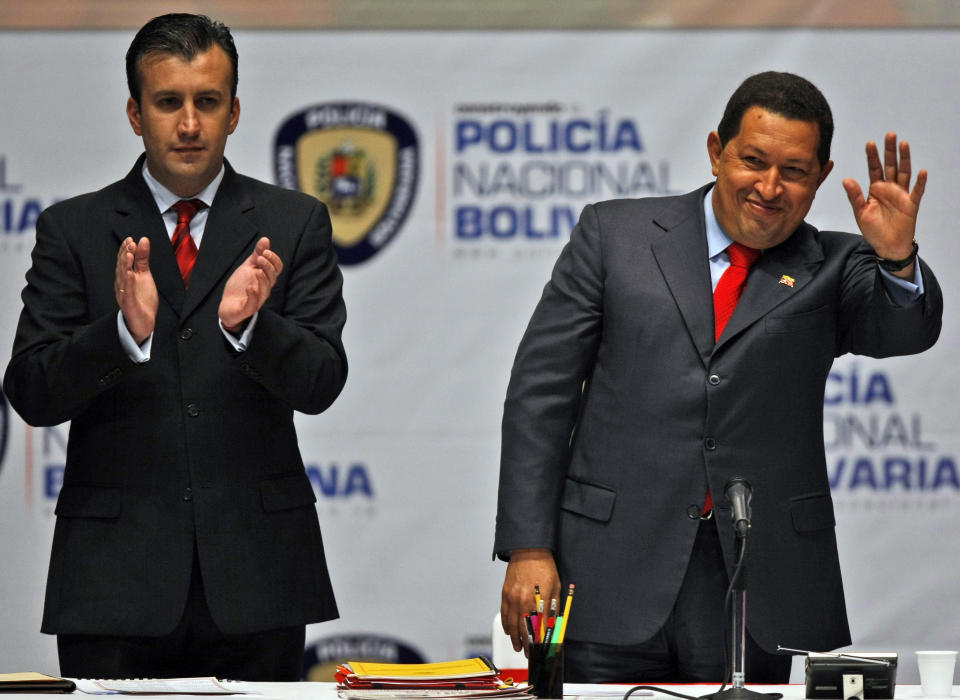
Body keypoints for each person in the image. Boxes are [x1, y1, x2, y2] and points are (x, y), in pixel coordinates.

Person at [494, 71, 942, 684]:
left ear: (820, 176)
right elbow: (539, 396)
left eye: (794, 171)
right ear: (715, 149)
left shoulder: (837, 265)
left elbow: (905, 330)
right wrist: (528, 546)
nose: (769, 186)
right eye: (752, 160)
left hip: (761, 584)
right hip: (608, 572)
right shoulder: (614, 236)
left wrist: (896, 258)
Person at [2, 13, 347, 681]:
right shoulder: (72, 229)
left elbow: (322, 380)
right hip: (112, 585)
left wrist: (253, 326)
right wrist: (121, 334)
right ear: (135, 113)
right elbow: (33, 390)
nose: (189, 124)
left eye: (207, 102)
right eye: (168, 103)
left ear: (235, 110)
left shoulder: (292, 223)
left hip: (259, 579)